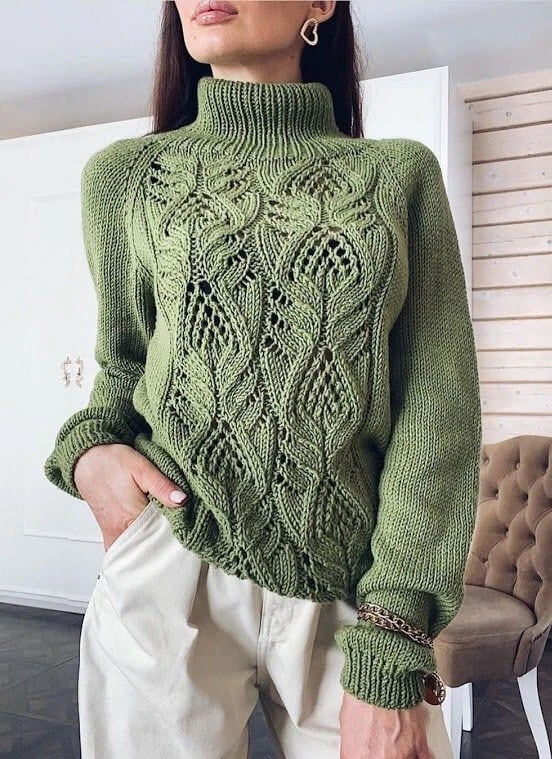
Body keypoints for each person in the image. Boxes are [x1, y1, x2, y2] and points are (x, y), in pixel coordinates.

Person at [43, 1, 482, 757]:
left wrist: (395, 634)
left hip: (352, 589)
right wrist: (89, 454)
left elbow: (436, 410)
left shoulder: (397, 175)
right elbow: (123, 365)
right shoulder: (123, 179)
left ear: (321, 5)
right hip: (171, 565)